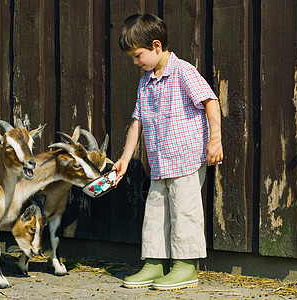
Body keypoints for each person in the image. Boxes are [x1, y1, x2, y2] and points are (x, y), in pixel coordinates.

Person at [112, 13, 223, 291]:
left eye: (138, 56)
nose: (136, 63)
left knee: (184, 211)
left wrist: (216, 140)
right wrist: (125, 158)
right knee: (156, 211)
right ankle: (155, 262)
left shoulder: (183, 71)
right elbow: (137, 122)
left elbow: (211, 101)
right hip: (160, 162)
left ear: (157, 46)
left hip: (186, 159)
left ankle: (186, 266)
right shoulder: (146, 82)